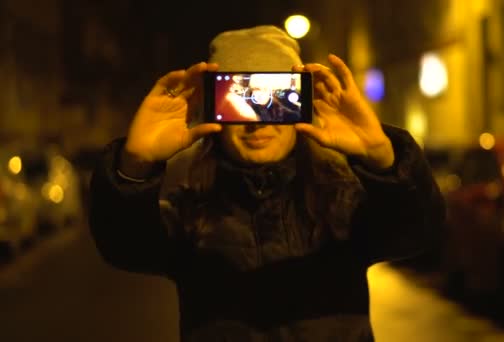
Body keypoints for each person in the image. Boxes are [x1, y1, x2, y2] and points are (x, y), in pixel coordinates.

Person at [89, 25, 446, 342]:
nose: (257, 123)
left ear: (300, 105)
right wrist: (134, 165)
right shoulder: (190, 213)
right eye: (240, 101)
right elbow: (123, 244)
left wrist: (383, 157)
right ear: (215, 113)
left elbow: (419, 234)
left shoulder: (341, 201)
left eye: (276, 99)